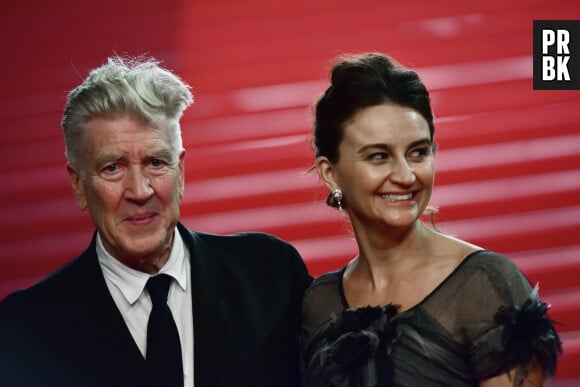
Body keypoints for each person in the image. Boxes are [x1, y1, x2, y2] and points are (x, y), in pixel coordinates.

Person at [0, 55, 312, 387]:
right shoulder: (25, 329)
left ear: (181, 173)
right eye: (112, 167)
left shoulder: (271, 275)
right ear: (78, 184)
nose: (139, 190)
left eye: (156, 162)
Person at [300, 52, 562, 387]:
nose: (406, 176)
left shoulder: (484, 285)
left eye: (418, 152)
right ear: (330, 173)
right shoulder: (317, 303)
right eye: (379, 156)